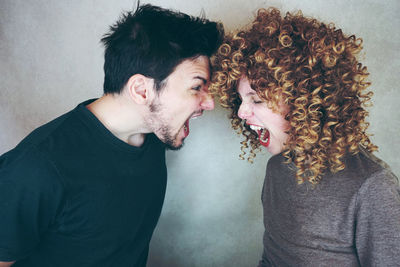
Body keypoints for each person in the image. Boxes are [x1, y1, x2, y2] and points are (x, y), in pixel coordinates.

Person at [0, 4, 223, 267]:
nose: (210, 103)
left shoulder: (151, 134)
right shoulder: (36, 168)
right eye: (197, 87)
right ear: (141, 90)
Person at [211, 7, 400, 266]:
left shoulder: (372, 187)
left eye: (255, 99)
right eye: (240, 99)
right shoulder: (277, 167)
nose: (242, 112)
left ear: (304, 101)